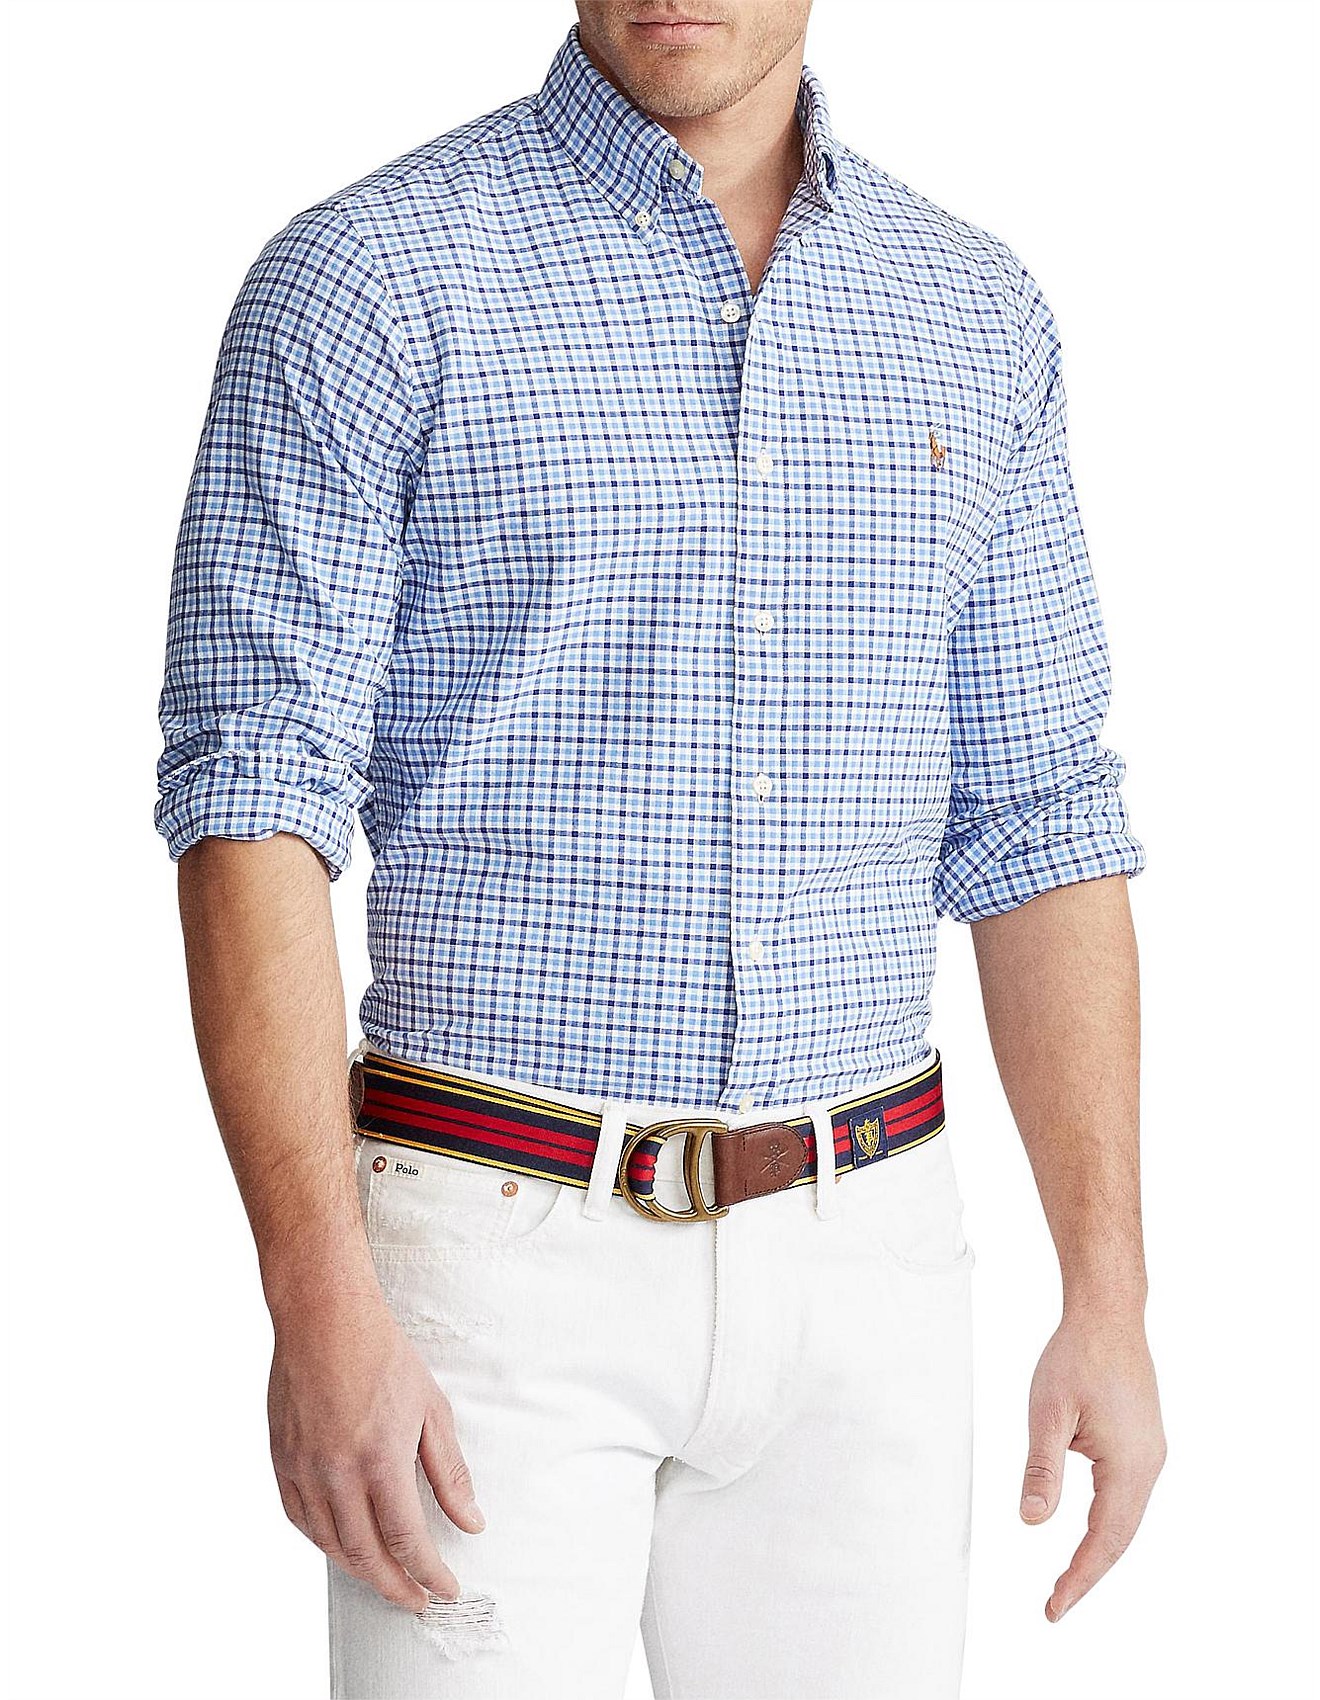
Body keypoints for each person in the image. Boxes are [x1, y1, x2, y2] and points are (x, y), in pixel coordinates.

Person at [153, 4, 1168, 1696]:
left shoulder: (974, 313)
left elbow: (1043, 813)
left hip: (872, 1265)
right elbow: (251, 800)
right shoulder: (368, 281)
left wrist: (1110, 1295)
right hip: (490, 1262)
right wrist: (316, 1301)